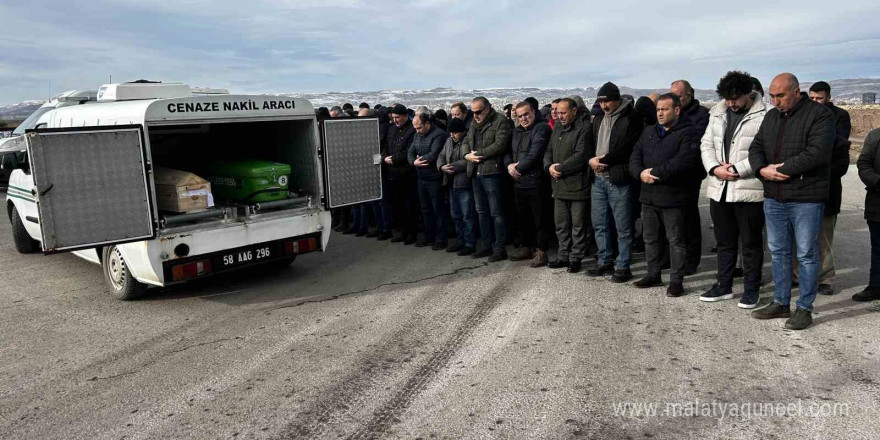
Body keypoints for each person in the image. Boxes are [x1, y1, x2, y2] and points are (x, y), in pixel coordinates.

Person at [748, 73, 834, 330]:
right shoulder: (772, 116)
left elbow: (817, 153)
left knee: (807, 254)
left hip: (806, 197)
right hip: (774, 196)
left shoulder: (819, 115)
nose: (775, 101)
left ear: (797, 91)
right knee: (779, 251)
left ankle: (804, 308)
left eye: (780, 95)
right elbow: (756, 148)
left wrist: (782, 169)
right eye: (772, 96)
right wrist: (762, 168)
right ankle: (780, 302)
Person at [698, 71, 768, 308]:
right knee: (725, 242)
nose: (731, 103)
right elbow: (706, 144)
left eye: (735, 99)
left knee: (750, 243)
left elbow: (764, 151)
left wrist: (738, 169)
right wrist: (715, 168)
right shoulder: (716, 112)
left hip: (749, 189)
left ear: (749, 93)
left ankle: (751, 290)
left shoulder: (764, 114)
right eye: (727, 99)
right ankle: (723, 285)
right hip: (719, 188)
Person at [630, 93, 701, 297]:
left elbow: (683, 161)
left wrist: (653, 173)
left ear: (676, 110)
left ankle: (676, 280)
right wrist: (640, 173)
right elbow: (635, 156)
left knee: (676, 240)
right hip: (648, 196)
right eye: (658, 109)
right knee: (650, 238)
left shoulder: (689, 133)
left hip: (674, 197)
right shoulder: (649, 131)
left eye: (664, 109)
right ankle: (653, 273)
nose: (660, 113)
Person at [790, 81, 852, 295]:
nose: (816, 102)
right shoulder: (804, 114)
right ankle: (798, 276)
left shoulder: (840, 116)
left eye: (820, 99)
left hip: (828, 188)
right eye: (813, 98)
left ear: (828, 97)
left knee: (824, 237)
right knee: (800, 237)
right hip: (803, 186)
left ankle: (825, 279)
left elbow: (838, 145)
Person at [587, 82, 643, 282]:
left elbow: (629, 147)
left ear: (617, 99)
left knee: (623, 226)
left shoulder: (631, 117)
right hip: (598, 179)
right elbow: (592, 144)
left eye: (607, 100)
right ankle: (604, 261)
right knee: (599, 224)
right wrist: (593, 161)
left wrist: (604, 160)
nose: (603, 105)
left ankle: (623, 266)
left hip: (619, 178)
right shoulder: (599, 118)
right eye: (600, 101)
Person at [544, 98, 593, 273]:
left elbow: (581, 155)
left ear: (574, 111)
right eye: (558, 113)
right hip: (558, 184)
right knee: (561, 224)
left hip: (577, 184)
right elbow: (549, 150)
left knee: (578, 225)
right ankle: (563, 255)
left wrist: (561, 168)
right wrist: (549, 166)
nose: (560, 116)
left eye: (563, 113)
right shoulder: (557, 126)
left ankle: (576, 257)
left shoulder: (584, 127)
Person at [463, 97, 513, 262]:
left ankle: (499, 248)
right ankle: (486, 245)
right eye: (473, 112)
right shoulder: (473, 124)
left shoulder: (500, 121)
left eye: (478, 112)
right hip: (476, 172)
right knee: (481, 211)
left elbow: (500, 144)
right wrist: (466, 155)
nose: (476, 115)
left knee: (496, 212)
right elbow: (465, 141)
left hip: (491, 172)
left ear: (488, 108)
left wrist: (477, 155)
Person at [505, 101, 552, 267]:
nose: (524, 118)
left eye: (526, 114)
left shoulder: (542, 128)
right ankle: (526, 246)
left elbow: (535, 154)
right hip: (519, 182)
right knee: (523, 218)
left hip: (536, 181)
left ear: (534, 112)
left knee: (540, 218)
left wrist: (517, 168)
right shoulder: (516, 131)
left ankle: (541, 251)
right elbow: (508, 152)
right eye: (520, 116)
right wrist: (509, 166)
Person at [670, 79, 710, 274]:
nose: (676, 100)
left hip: (691, 173)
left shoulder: (701, 114)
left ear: (689, 95)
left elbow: (694, 139)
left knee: (689, 219)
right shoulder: (673, 113)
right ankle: (676, 258)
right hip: (672, 173)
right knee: (675, 219)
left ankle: (691, 260)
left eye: (678, 96)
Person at [408, 113, 451, 249]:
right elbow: (410, 151)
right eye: (415, 128)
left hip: (434, 178)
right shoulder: (417, 135)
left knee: (438, 209)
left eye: (419, 128)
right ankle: (429, 235)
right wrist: (414, 162)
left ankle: (441, 238)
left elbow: (434, 154)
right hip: (421, 177)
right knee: (426, 209)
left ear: (427, 123)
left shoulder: (439, 135)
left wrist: (420, 159)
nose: (417, 131)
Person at [438, 118, 477, 256]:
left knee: (468, 215)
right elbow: (442, 155)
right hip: (450, 183)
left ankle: (470, 243)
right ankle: (460, 241)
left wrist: (452, 167)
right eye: (451, 132)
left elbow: (468, 160)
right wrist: (442, 166)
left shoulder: (468, 141)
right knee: (456, 215)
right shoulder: (449, 141)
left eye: (455, 132)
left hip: (463, 183)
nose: (452, 135)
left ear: (462, 132)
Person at [383, 104, 419, 245]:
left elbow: (410, 151)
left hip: (407, 174)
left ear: (404, 116)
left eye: (398, 117)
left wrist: (394, 159)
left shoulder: (412, 129)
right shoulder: (392, 129)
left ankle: (412, 233)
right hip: (393, 173)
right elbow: (386, 146)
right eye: (393, 118)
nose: (396, 120)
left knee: (410, 205)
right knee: (398, 206)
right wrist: (386, 156)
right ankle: (403, 232)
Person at [854, 128, 880, 301]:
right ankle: (876, 286)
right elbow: (863, 164)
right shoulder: (875, 136)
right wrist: (878, 181)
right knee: (878, 248)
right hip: (878, 201)